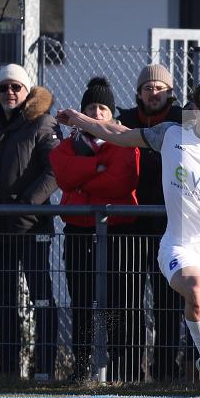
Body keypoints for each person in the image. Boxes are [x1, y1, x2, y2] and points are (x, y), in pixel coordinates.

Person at [57, 77, 200, 398]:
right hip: (179, 245)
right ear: (196, 112)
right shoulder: (171, 135)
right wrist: (82, 120)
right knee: (195, 290)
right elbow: (119, 133)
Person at [0, 64, 59, 379]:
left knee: (42, 297)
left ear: (27, 90)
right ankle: (8, 368)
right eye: (3, 88)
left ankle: (44, 367)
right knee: (3, 299)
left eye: (16, 87)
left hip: (31, 227)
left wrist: (26, 204)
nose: (9, 93)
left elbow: (54, 171)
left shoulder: (42, 122)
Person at [50, 77, 140, 382]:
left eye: (103, 108)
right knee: (82, 301)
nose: (97, 113)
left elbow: (121, 181)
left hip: (118, 233)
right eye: (91, 107)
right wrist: (97, 169)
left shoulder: (126, 141)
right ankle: (82, 365)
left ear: (112, 113)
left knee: (119, 301)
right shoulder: (68, 146)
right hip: (79, 231)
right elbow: (64, 175)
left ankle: (120, 366)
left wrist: (84, 179)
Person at [117, 63, 184, 382]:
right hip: (130, 225)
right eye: (148, 88)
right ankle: (129, 370)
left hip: (170, 226)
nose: (153, 93)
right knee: (129, 301)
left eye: (160, 88)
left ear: (170, 93)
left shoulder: (183, 122)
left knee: (169, 300)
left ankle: (167, 370)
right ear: (138, 93)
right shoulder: (125, 122)